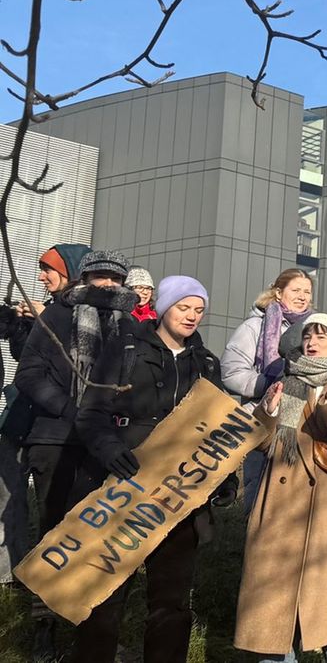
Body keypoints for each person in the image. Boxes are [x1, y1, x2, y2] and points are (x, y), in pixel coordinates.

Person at [71, 276, 228, 662]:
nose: (191, 316)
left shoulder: (206, 363)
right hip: (122, 491)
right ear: (164, 308)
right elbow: (90, 413)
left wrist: (225, 477)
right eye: (183, 307)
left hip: (179, 499)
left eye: (198, 310)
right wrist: (110, 450)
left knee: (171, 602)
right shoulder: (124, 350)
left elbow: (222, 430)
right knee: (103, 596)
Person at [14, 249, 136, 660]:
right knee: (53, 537)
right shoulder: (57, 317)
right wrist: (72, 410)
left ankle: (92, 635)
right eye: (99, 276)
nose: (107, 285)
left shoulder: (128, 327)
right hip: (56, 441)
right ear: (83, 278)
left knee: (100, 541)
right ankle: (43, 631)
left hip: (105, 447)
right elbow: (28, 374)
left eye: (115, 278)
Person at [234, 313, 327, 661]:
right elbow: (266, 445)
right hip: (281, 508)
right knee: (272, 620)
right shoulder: (286, 382)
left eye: (322, 336)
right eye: (308, 335)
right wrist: (266, 412)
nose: (311, 341)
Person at [0, 242, 87, 587]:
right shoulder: (48, 309)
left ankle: (51, 584)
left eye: (48, 270)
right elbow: (28, 362)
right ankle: (13, 577)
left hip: (56, 429)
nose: (41, 277)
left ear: (70, 272)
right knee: (8, 502)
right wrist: (19, 327)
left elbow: (73, 363)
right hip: (20, 421)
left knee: (54, 509)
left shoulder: (82, 315)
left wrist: (44, 320)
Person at [221, 268, 314, 511]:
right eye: (296, 290)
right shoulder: (255, 326)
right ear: (278, 292)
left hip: (304, 420)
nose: (302, 296)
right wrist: (269, 385)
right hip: (263, 416)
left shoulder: (315, 330)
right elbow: (231, 372)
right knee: (260, 491)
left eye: (307, 291)